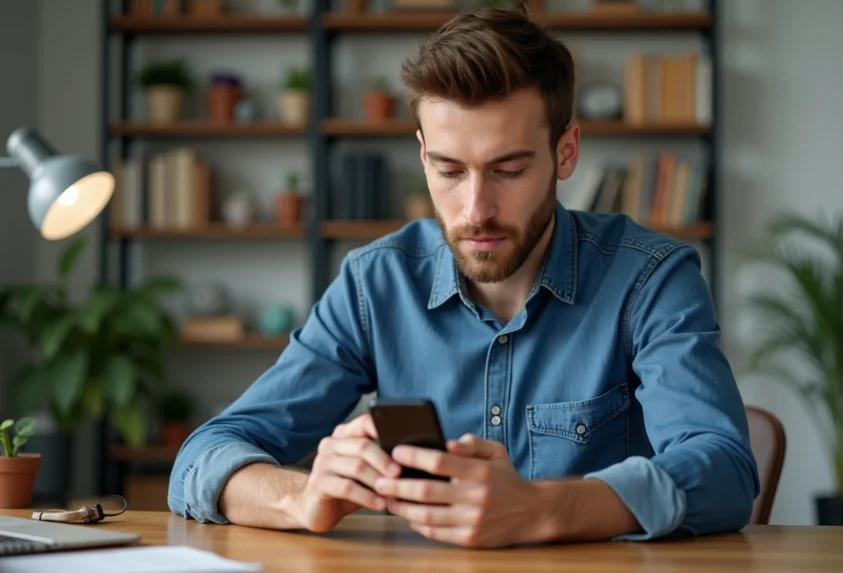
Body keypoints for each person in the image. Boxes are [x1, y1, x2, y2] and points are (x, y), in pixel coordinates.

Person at [168, 0, 759, 548]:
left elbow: (725, 468)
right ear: (423, 155)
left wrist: (544, 509)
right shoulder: (374, 285)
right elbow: (204, 457)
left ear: (566, 152)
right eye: (450, 171)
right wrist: (303, 498)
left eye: (508, 169)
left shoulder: (651, 279)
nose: (475, 210)